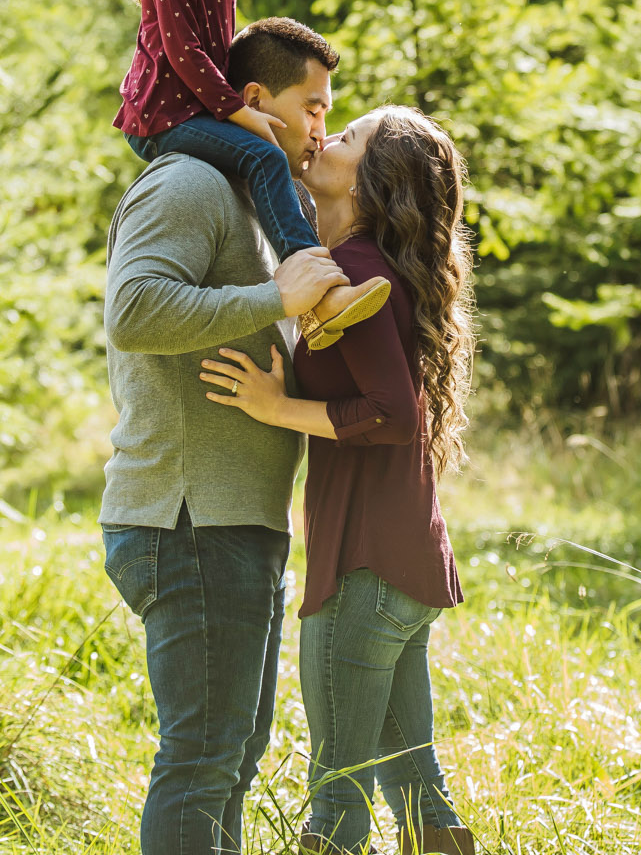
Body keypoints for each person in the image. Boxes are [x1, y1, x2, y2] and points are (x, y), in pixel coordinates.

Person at [101, 17, 357, 855]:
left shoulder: (252, 201)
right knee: (204, 759)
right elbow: (135, 311)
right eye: (312, 108)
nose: (322, 128)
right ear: (254, 102)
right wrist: (273, 303)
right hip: (186, 521)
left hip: (232, 523)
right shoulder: (189, 185)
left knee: (235, 757)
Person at [199, 107, 477, 855]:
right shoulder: (361, 271)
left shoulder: (359, 272)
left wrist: (275, 405)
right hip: (404, 567)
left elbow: (391, 414)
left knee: (337, 802)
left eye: (347, 137)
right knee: (420, 793)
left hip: (363, 569)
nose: (326, 137)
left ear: (374, 181)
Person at [113, 0, 388, 349]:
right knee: (263, 154)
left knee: (270, 163)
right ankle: (316, 289)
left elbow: (222, 48)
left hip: (199, 106)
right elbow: (186, 53)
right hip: (163, 116)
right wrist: (243, 114)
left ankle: (314, 304)